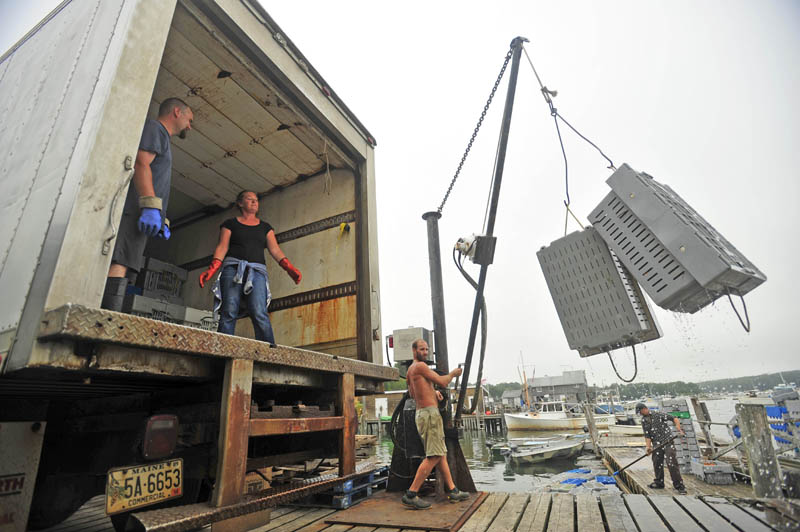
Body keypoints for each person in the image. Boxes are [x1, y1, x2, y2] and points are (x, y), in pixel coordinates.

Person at [102, 98, 194, 311]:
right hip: (134, 211)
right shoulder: (155, 128)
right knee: (120, 262)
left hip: (142, 216)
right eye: (189, 119)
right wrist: (150, 206)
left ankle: (110, 318)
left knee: (127, 266)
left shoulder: (163, 140)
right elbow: (141, 163)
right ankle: (102, 320)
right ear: (177, 112)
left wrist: (162, 219)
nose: (190, 126)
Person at [198, 190, 301, 345]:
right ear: (240, 203)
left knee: (259, 311)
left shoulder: (265, 227)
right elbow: (222, 247)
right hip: (232, 269)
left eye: (256, 200)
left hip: (257, 272)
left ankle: (268, 351)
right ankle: (223, 350)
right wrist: (212, 269)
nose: (254, 202)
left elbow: (275, 250)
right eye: (249, 199)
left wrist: (289, 268)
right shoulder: (229, 224)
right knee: (229, 311)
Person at [402, 339, 470, 510]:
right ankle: (411, 494)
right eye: (422, 349)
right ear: (414, 350)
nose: (425, 352)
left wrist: (434, 393)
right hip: (429, 415)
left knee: (440, 455)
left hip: (424, 413)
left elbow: (413, 392)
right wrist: (454, 373)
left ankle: (453, 490)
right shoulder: (421, 367)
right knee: (433, 456)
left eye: (427, 349)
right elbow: (444, 381)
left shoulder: (411, 371)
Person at [637, 403, 687, 494]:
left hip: (668, 441)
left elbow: (673, 418)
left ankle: (679, 485)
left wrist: (678, 428)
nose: (640, 414)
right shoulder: (643, 420)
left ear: (644, 408)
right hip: (657, 444)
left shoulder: (657, 414)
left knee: (671, 462)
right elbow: (647, 435)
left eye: (640, 411)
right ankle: (659, 482)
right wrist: (648, 447)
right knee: (656, 462)